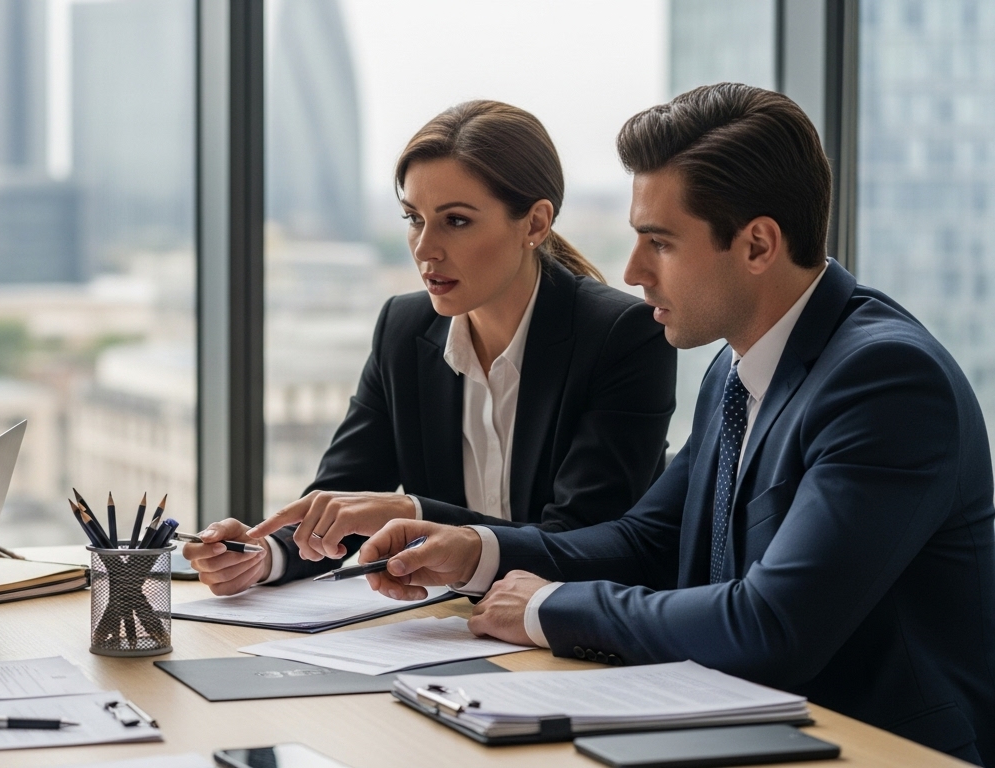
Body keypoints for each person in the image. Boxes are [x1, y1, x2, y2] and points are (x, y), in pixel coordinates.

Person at [358, 83, 995, 764]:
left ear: (757, 245)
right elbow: (648, 540)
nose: (631, 272)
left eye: (659, 242)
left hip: (879, 750)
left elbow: (771, 623)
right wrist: (478, 551)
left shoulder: (886, 380)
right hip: (745, 728)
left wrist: (547, 609)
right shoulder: (736, 368)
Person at [184, 100, 676, 594]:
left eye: (455, 221)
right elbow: (344, 495)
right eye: (414, 218)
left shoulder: (623, 337)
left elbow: (582, 542)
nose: (424, 249)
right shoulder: (404, 328)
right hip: (446, 630)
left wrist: (413, 514)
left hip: (578, 640)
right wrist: (261, 554)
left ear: (534, 224)